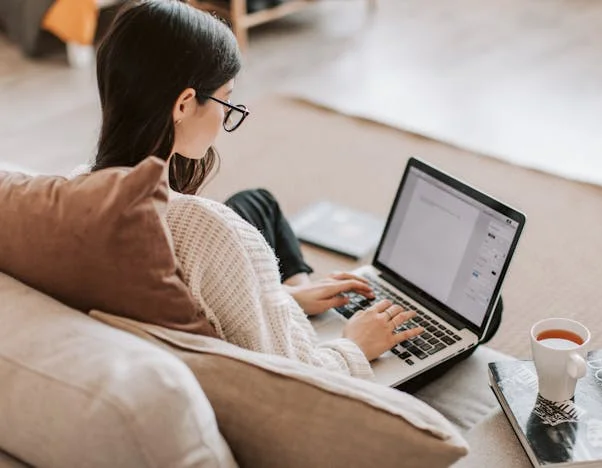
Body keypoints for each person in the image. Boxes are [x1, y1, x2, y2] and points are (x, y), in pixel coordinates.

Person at [90, 0, 424, 379]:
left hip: (246, 284)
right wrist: (355, 344)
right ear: (183, 104)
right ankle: (302, 309)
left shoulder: (78, 185)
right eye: (225, 100)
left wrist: (288, 299)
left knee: (257, 201)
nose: (226, 115)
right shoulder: (209, 230)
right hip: (289, 352)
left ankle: (296, 293)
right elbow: (298, 378)